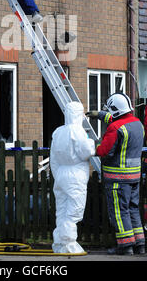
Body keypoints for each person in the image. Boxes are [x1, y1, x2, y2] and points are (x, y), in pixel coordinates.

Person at [87, 93, 145, 255]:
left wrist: (91, 146)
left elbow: (104, 150)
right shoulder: (137, 124)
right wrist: (100, 115)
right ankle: (139, 244)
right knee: (133, 209)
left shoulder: (115, 128)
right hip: (134, 177)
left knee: (120, 212)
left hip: (118, 179)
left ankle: (125, 246)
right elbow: (118, 120)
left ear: (115, 110)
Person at [50, 101, 95, 254]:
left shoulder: (57, 132)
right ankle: (69, 244)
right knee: (73, 210)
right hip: (75, 175)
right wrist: (91, 142)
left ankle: (59, 243)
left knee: (61, 210)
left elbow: (53, 158)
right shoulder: (78, 131)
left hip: (61, 173)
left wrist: (58, 175)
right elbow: (86, 152)